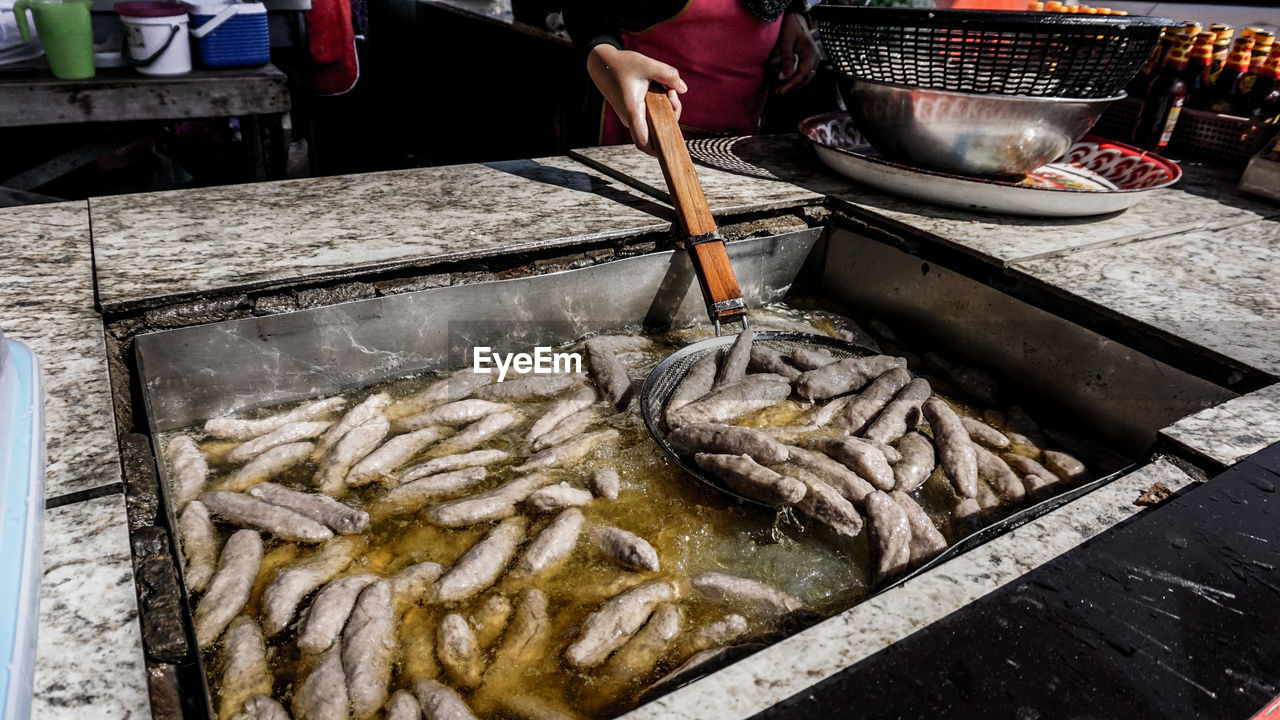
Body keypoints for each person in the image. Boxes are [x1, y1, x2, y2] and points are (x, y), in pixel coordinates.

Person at [562, 0, 821, 153]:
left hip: (738, 142)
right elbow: (584, 10)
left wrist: (795, 13)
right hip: (627, 137)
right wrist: (604, 55)